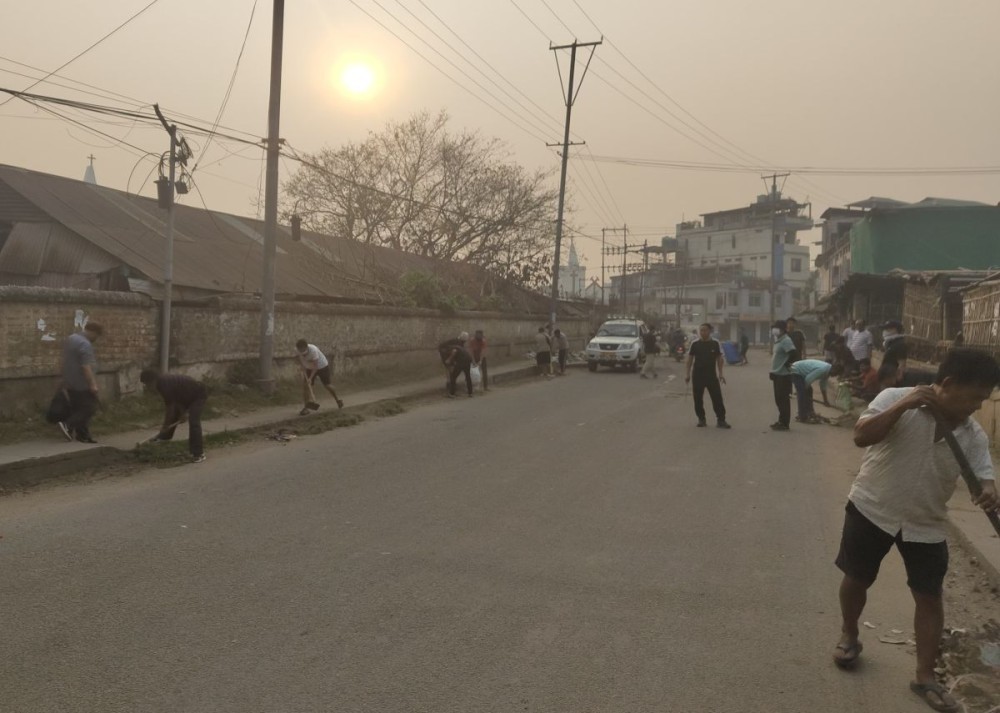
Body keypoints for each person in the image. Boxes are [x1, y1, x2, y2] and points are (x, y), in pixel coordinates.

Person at [832, 348, 1000, 712]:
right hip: (873, 508)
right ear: (949, 384)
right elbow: (861, 436)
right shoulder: (894, 398)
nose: (977, 406)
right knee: (857, 578)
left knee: (929, 596)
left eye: (983, 399)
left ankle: (924, 676)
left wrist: (988, 491)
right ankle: (850, 633)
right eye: (974, 397)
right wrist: (904, 405)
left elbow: (985, 479)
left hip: (926, 524)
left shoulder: (973, 435)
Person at [140, 368, 209, 463]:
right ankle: (164, 438)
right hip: (185, 396)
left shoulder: (164, 384)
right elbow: (176, 400)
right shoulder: (161, 383)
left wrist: (165, 426)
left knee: (194, 421)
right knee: (174, 415)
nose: (147, 387)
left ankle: (198, 453)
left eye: (147, 384)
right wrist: (182, 413)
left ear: (153, 380)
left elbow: (170, 408)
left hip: (198, 395)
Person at [57, 321, 103, 443]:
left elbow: (64, 360)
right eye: (97, 336)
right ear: (93, 332)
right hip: (82, 382)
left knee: (78, 407)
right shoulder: (85, 344)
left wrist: (63, 378)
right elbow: (85, 367)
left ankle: (83, 435)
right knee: (89, 408)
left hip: (70, 380)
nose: (96, 339)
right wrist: (92, 384)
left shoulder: (71, 339)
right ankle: (68, 425)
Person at [685, 323, 731, 429]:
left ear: (710, 331)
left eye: (705, 330)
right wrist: (687, 374)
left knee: (717, 398)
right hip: (697, 375)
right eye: (701, 330)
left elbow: (720, 358)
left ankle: (721, 420)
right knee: (697, 398)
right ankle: (701, 419)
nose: (703, 332)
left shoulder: (715, 343)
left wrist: (721, 373)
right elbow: (689, 359)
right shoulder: (695, 344)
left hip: (711, 375)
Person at [295, 339, 343, 415]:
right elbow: (299, 359)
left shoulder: (313, 350)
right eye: (301, 351)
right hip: (309, 367)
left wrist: (310, 378)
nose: (303, 354)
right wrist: (302, 366)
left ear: (306, 347)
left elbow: (315, 367)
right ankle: (306, 408)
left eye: (304, 352)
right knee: (306, 386)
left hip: (322, 366)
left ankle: (338, 400)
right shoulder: (297, 350)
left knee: (327, 385)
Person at [769, 320, 796, 431]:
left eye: (777, 327)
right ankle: (781, 420)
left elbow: (793, 353)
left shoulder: (786, 340)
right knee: (778, 399)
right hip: (777, 373)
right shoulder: (778, 340)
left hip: (784, 375)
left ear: (783, 329)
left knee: (783, 399)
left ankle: (785, 423)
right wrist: (773, 371)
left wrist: (786, 365)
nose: (774, 329)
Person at [790, 358, 832, 423]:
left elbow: (823, 385)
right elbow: (808, 379)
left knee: (809, 391)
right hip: (795, 370)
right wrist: (802, 392)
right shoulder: (823, 369)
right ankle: (802, 416)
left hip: (801, 372)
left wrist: (825, 400)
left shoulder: (828, 370)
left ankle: (810, 412)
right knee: (802, 393)